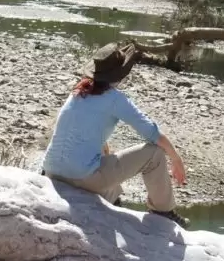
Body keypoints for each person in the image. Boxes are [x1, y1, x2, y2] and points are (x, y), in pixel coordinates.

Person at [41, 42, 190, 228]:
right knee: (155, 153)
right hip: (80, 177)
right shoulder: (115, 99)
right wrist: (176, 159)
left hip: (51, 172)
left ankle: (113, 202)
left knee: (104, 154)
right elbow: (153, 134)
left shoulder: (78, 91)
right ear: (120, 75)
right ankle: (164, 212)